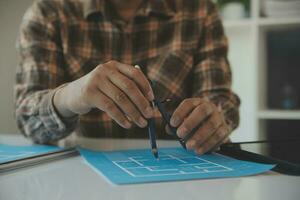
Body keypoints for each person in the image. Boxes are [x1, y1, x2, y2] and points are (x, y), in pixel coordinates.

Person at [14, 0, 240, 155]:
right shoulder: (48, 12)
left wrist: (215, 118)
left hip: (182, 178)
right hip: (79, 179)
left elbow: (219, 98)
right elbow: (28, 119)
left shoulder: (199, 10)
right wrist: (74, 95)